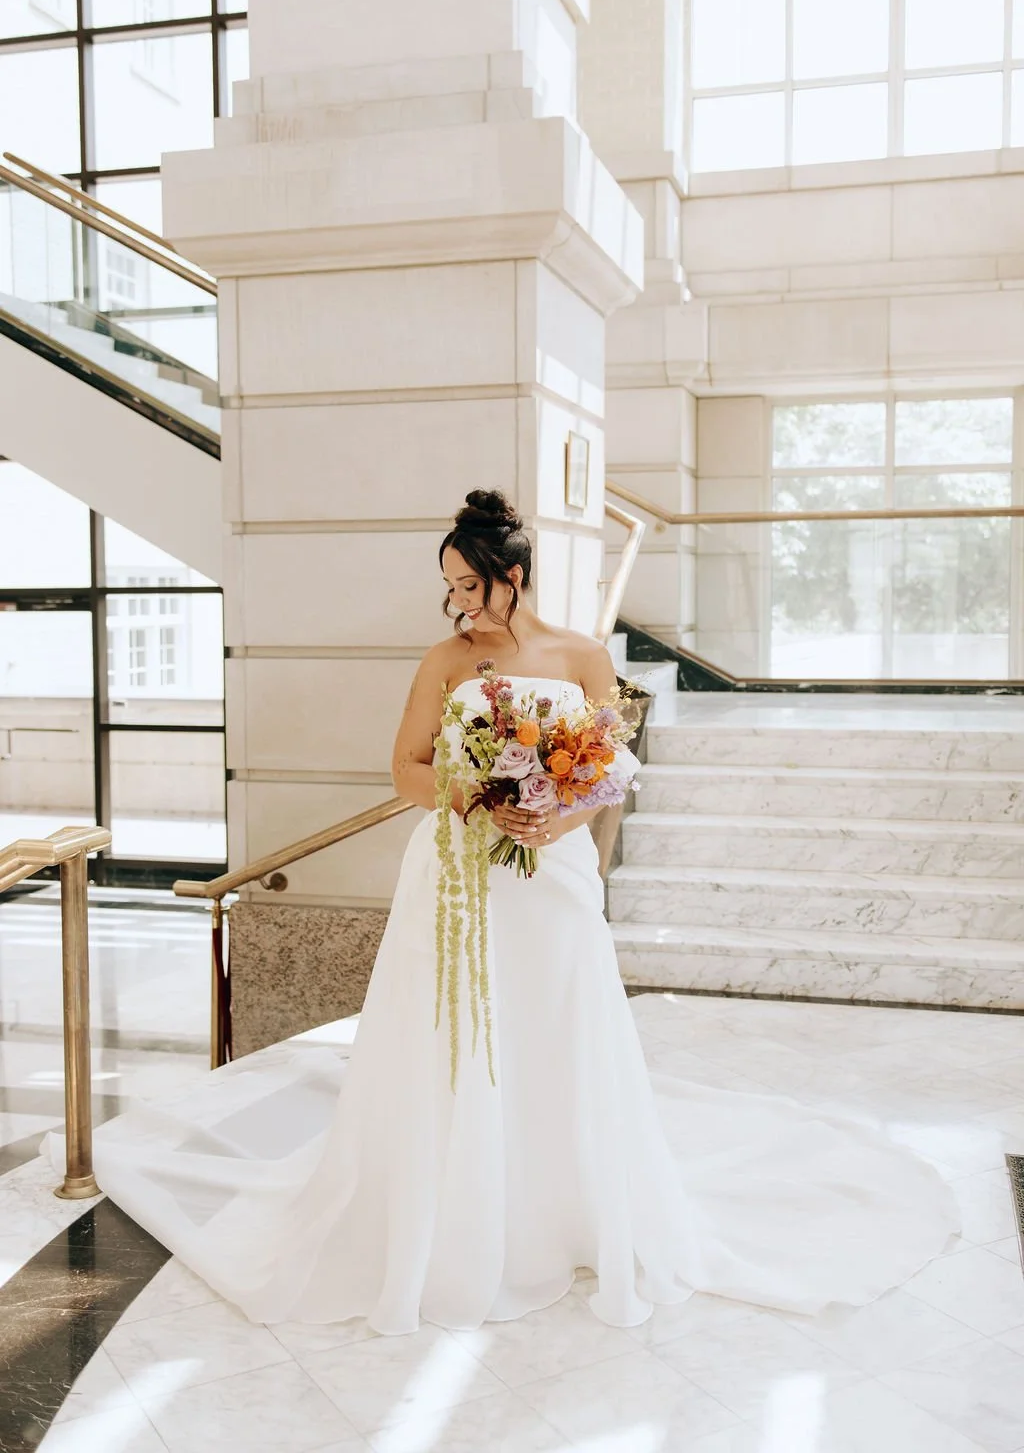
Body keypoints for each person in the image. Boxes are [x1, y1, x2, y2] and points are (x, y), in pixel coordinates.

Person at [84, 489, 959, 1335]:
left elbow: (607, 771)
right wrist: (475, 799)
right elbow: (406, 768)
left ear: (515, 575)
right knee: (455, 1028)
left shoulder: (584, 657)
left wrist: (554, 814)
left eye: (472, 584)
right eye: (452, 586)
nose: (460, 602)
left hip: (554, 873)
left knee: (554, 1022)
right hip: (460, 868)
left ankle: (563, 1208)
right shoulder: (444, 662)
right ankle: (452, 1204)